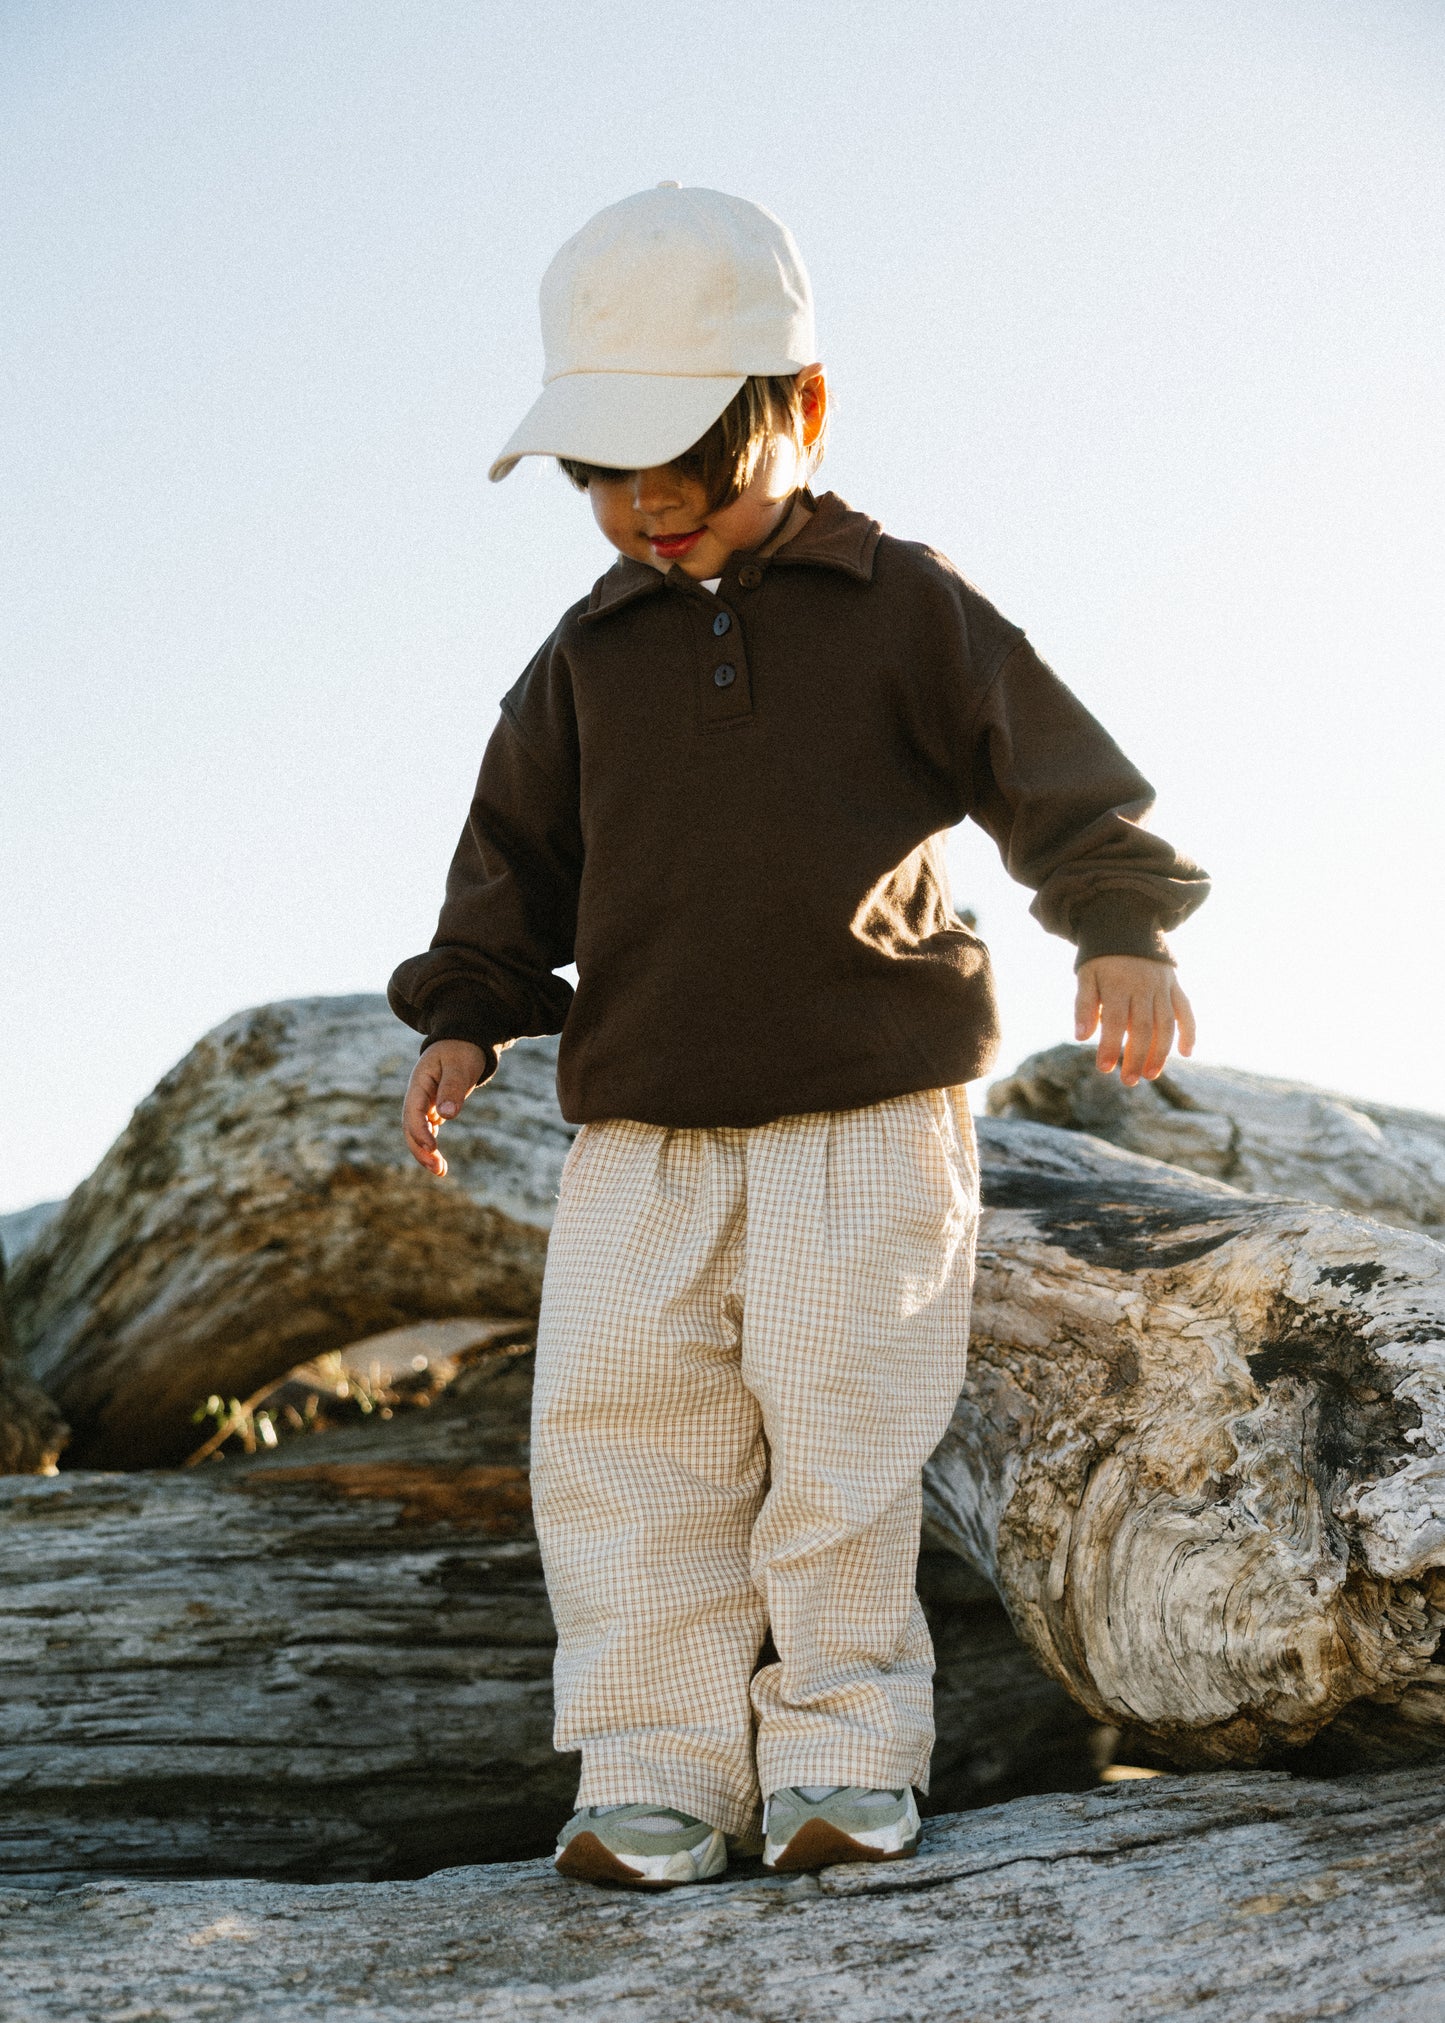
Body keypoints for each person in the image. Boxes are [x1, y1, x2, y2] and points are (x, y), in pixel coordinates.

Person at [388, 183, 1208, 1889]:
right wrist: (467, 1015)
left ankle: (841, 1757)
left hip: (867, 1105)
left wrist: (1119, 926)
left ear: (801, 410)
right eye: (604, 471)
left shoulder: (898, 601)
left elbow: (1038, 764)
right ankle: (657, 1770)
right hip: (646, 1129)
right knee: (622, 1445)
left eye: (687, 451)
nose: (650, 501)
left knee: (841, 1442)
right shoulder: (585, 656)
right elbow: (513, 862)